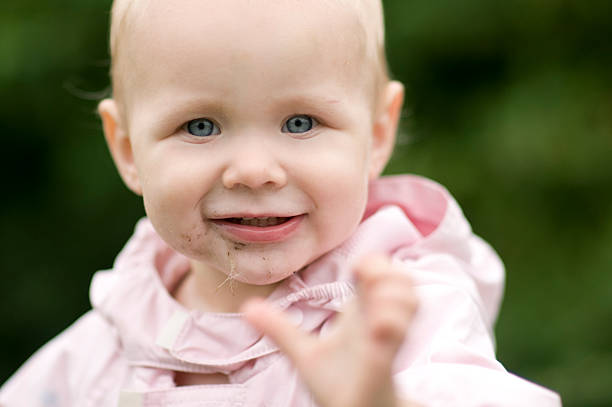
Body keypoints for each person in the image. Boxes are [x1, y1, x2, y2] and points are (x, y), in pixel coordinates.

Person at [0, 0, 562, 406]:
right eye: (200, 125)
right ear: (127, 150)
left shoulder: (396, 313)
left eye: (300, 122)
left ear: (377, 133)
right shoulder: (109, 340)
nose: (254, 171)